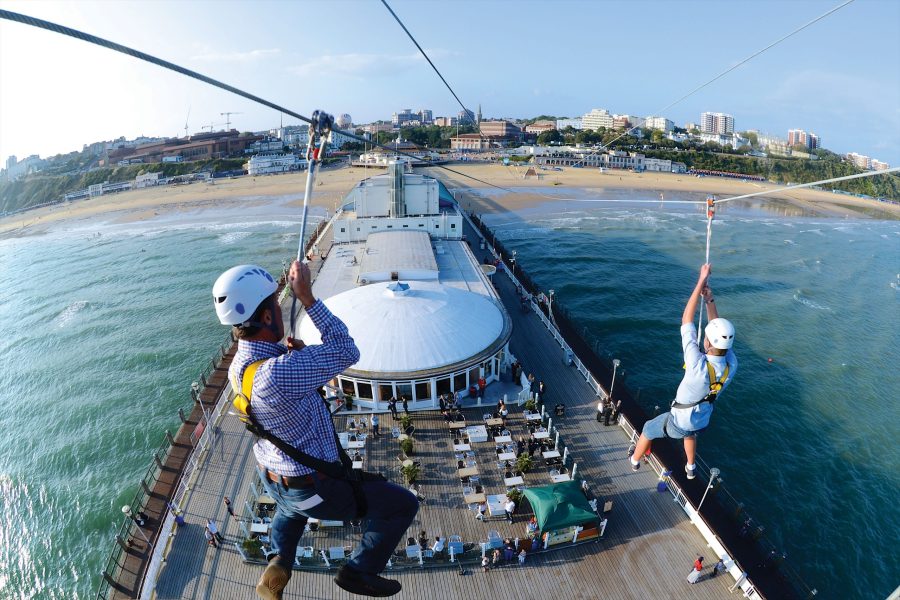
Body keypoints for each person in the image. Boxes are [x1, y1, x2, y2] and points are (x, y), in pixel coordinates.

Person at [214, 261, 417, 599]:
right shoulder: (279, 372)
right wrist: (307, 297)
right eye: (277, 304)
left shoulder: (241, 367)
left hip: (273, 475)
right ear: (265, 318)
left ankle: (280, 558)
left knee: (291, 510)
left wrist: (297, 357)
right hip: (313, 486)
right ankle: (359, 570)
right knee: (402, 505)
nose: (281, 309)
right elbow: (346, 350)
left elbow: (278, 383)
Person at [629, 264, 737, 480]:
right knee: (690, 434)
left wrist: (700, 282)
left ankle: (634, 460)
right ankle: (690, 467)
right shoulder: (731, 366)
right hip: (701, 420)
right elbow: (719, 336)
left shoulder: (696, 363)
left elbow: (687, 320)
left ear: (706, 341)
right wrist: (709, 300)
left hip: (681, 421)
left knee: (649, 429)